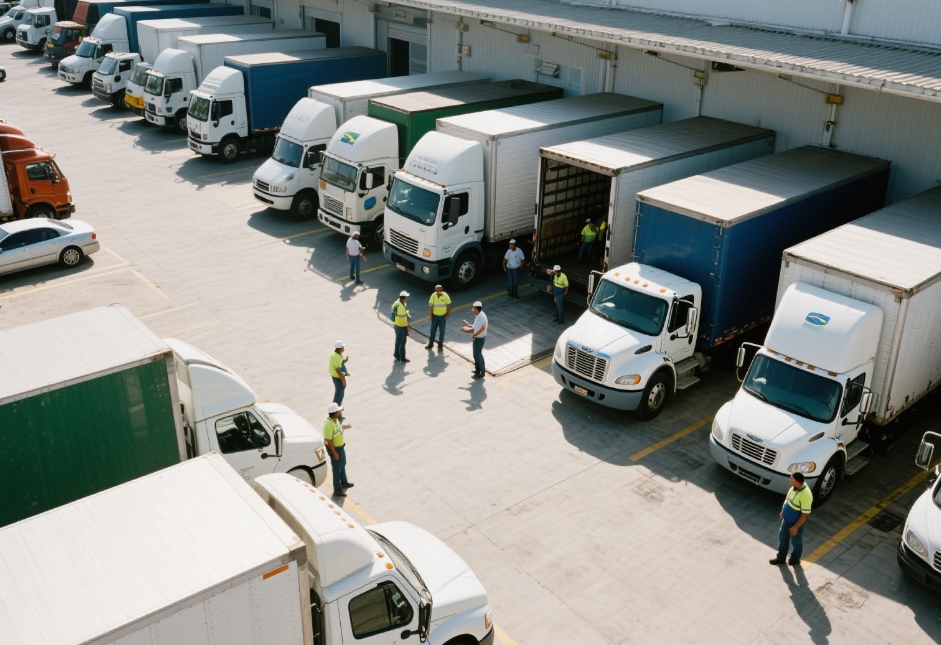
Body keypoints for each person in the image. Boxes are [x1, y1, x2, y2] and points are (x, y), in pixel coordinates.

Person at [770, 473, 813, 566]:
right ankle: (781, 557)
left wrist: (796, 527)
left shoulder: (806, 495)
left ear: (797, 481)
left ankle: (795, 558)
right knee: (782, 537)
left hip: (795, 523)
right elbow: (787, 500)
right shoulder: (793, 488)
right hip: (786, 520)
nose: (790, 479)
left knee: (796, 541)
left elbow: (805, 514)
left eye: (792, 478)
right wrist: (783, 511)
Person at [323, 402, 353, 497]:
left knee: (343, 464)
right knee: (336, 469)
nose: (340, 412)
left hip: (340, 447)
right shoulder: (328, 424)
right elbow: (328, 441)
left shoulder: (335, 420)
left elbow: (338, 429)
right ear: (335, 413)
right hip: (335, 449)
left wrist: (345, 426)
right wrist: (334, 453)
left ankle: (344, 482)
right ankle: (337, 489)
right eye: (338, 411)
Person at [462, 301, 487, 378]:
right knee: (475, 355)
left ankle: (481, 372)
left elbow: (474, 330)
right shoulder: (480, 315)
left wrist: (465, 329)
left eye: (473, 308)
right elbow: (476, 327)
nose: (472, 310)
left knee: (478, 355)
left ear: (477, 309)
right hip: (477, 338)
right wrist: (471, 325)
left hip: (479, 339)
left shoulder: (480, 318)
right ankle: (477, 369)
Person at [426, 284, 451, 350]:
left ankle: (440, 344)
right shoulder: (433, 296)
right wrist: (430, 315)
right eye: (436, 291)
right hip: (435, 316)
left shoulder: (445, 295)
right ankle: (431, 343)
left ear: (441, 290)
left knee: (442, 331)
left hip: (443, 317)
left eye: (439, 291)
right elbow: (431, 306)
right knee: (432, 331)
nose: (438, 292)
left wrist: (447, 314)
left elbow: (448, 305)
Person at [392, 290, 411, 362]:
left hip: (396, 325)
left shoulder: (397, 303)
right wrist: (407, 327)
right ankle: (402, 357)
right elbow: (404, 319)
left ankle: (396, 355)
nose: (407, 299)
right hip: (401, 326)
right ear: (404, 298)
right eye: (406, 297)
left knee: (398, 341)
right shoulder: (401, 307)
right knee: (403, 342)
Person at [329, 340, 349, 406]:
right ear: (340, 348)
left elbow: (338, 363)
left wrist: (344, 361)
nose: (343, 349)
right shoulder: (336, 356)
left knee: (340, 393)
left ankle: (337, 410)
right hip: (338, 377)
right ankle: (336, 410)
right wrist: (343, 381)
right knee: (339, 395)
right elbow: (338, 370)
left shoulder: (336, 354)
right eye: (342, 347)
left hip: (337, 376)